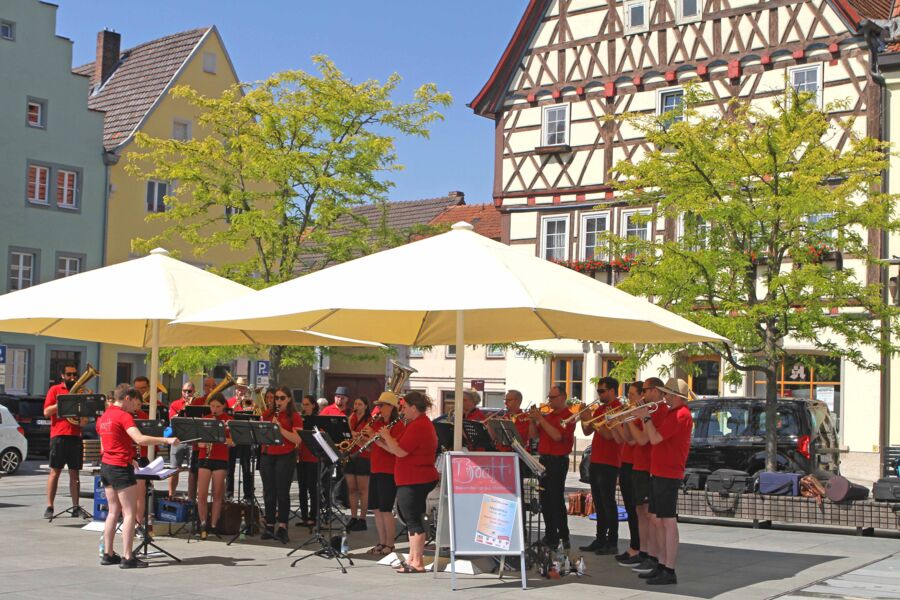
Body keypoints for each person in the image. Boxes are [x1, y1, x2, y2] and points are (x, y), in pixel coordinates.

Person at [96, 385, 177, 568]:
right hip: (119, 468)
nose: (137, 409)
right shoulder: (124, 416)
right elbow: (139, 439)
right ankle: (127, 557)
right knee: (130, 513)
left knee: (112, 511)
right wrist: (166, 440)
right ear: (128, 397)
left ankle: (108, 554)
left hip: (107, 465)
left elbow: (109, 442)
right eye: (136, 404)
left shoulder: (104, 416)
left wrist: (129, 456)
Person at [631, 377, 692, 585]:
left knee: (667, 521)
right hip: (659, 471)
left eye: (667, 394)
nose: (664, 397)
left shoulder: (681, 415)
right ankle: (661, 564)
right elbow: (654, 437)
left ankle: (669, 569)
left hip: (669, 472)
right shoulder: (672, 413)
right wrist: (643, 418)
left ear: (676, 396)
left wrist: (645, 417)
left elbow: (654, 439)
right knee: (658, 519)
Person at [378, 391, 439, 574]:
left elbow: (401, 451)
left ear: (414, 407)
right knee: (411, 519)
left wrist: (387, 435)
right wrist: (379, 441)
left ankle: (417, 562)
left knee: (412, 520)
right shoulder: (417, 424)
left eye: (404, 407)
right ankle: (412, 559)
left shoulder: (419, 426)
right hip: (413, 478)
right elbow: (398, 448)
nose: (402, 411)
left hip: (415, 479)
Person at [529, 385, 575, 550]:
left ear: (563, 397)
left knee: (555, 499)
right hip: (544, 460)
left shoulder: (568, 417)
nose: (550, 400)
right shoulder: (548, 416)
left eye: (553, 397)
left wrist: (540, 419)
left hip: (558, 461)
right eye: (549, 397)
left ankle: (563, 536)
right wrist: (532, 420)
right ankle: (550, 536)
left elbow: (557, 436)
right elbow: (533, 435)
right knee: (545, 500)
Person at [580, 376, 622, 555]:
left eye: (602, 391)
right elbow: (587, 430)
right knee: (598, 501)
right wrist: (584, 418)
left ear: (613, 390)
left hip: (610, 461)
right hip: (597, 460)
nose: (599, 394)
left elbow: (609, 435)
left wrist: (593, 420)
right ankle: (600, 539)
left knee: (608, 502)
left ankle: (612, 542)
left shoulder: (619, 409)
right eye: (598, 391)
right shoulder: (600, 409)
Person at [42, 362, 89, 519]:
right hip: (59, 435)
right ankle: (50, 506)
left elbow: (84, 419)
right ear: (62, 375)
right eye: (69, 374)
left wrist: (83, 419)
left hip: (75, 435)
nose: (72, 377)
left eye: (74, 374)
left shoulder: (81, 392)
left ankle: (76, 506)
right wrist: (63, 402)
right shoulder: (55, 390)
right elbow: (46, 412)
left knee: (75, 474)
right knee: (55, 472)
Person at [363, 391, 405, 556]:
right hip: (375, 468)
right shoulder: (378, 423)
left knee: (386, 509)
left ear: (391, 407)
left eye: (381, 406)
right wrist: (364, 439)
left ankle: (390, 544)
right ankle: (381, 542)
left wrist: (378, 439)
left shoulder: (398, 425)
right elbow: (370, 446)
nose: (378, 409)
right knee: (376, 509)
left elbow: (394, 449)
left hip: (388, 470)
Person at [260, 386, 302, 544]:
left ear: (289, 399)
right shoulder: (268, 414)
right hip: (268, 455)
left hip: (285, 455)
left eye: (282, 398)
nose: (278, 401)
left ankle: (283, 527)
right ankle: (270, 525)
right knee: (269, 492)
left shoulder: (294, 416)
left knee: (282, 492)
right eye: (276, 398)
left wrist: (280, 429)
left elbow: (297, 439)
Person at [612, 381, 644, 566]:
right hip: (626, 463)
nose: (629, 398)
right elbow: (620, 439)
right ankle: (634, 546)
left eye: (632, 394)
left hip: (636, 465)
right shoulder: (632, 414)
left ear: (641, 395)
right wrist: (616, 423)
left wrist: (626, 420)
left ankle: (637, 547)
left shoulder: (639, 415)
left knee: (635, 510)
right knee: (631, 509)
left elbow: (632, 441)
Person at [196, 393, 233, 539]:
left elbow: (233, 442)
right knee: (202, 494)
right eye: (212, 406)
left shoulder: (228, 421)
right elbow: (198, 442)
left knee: (217, 494)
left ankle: (214, 525)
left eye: (218, 406)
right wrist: (202, 442)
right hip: (204, 458)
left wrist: (222, 438)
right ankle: (203, 523)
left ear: (224, 406)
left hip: (220, 457)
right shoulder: (204, 420)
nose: (215, 409)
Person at [345, 395, 372, 531]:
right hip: (350, 455)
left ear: (366, 406)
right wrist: (350, 432)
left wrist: (356, 436)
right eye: (355, 403)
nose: (356, 406)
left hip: (364, 456)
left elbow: (369, 445)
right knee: (351, 489)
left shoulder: (370, 421)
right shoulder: (350, 419)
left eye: (360, 404)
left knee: (363, 490)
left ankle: (363, 518)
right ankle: (353, 517)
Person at [226, 377, 253, 501]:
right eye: (238, 388)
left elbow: (253, 418)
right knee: (229, 467)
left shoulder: (249, 402)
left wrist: (246, 407)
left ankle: (248, 495)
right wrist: (236, 404)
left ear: (246, 390)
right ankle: (229, 494)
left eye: (242, 389)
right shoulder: (229, 402)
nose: (240, 391)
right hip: (231, 439)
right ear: (235, 389)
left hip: (244, 439)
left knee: (246, 467)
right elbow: (226, 417)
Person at [167, 382, 196, 498]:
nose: (187, 393)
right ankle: (171, 495)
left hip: (192, 440)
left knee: (192, 470)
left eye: (189, 391)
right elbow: (172, 420)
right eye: (185, 391)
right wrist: (185, 408)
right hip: (177, 440)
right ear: (181, 391)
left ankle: (191, 498)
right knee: (174, 469)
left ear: (194, 392)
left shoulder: (197, 404)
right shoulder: (175, 404)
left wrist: (192, 406)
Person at [295, 394, 319, 527]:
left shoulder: (317, 420)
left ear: (313, 405)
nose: (304, 407)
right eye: (303, 405)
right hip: (301, 456)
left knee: (312, 487)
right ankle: (304, 516)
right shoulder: (300, 419)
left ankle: (313, 517)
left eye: (307, 404)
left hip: (313, 457)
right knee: (302, 488)